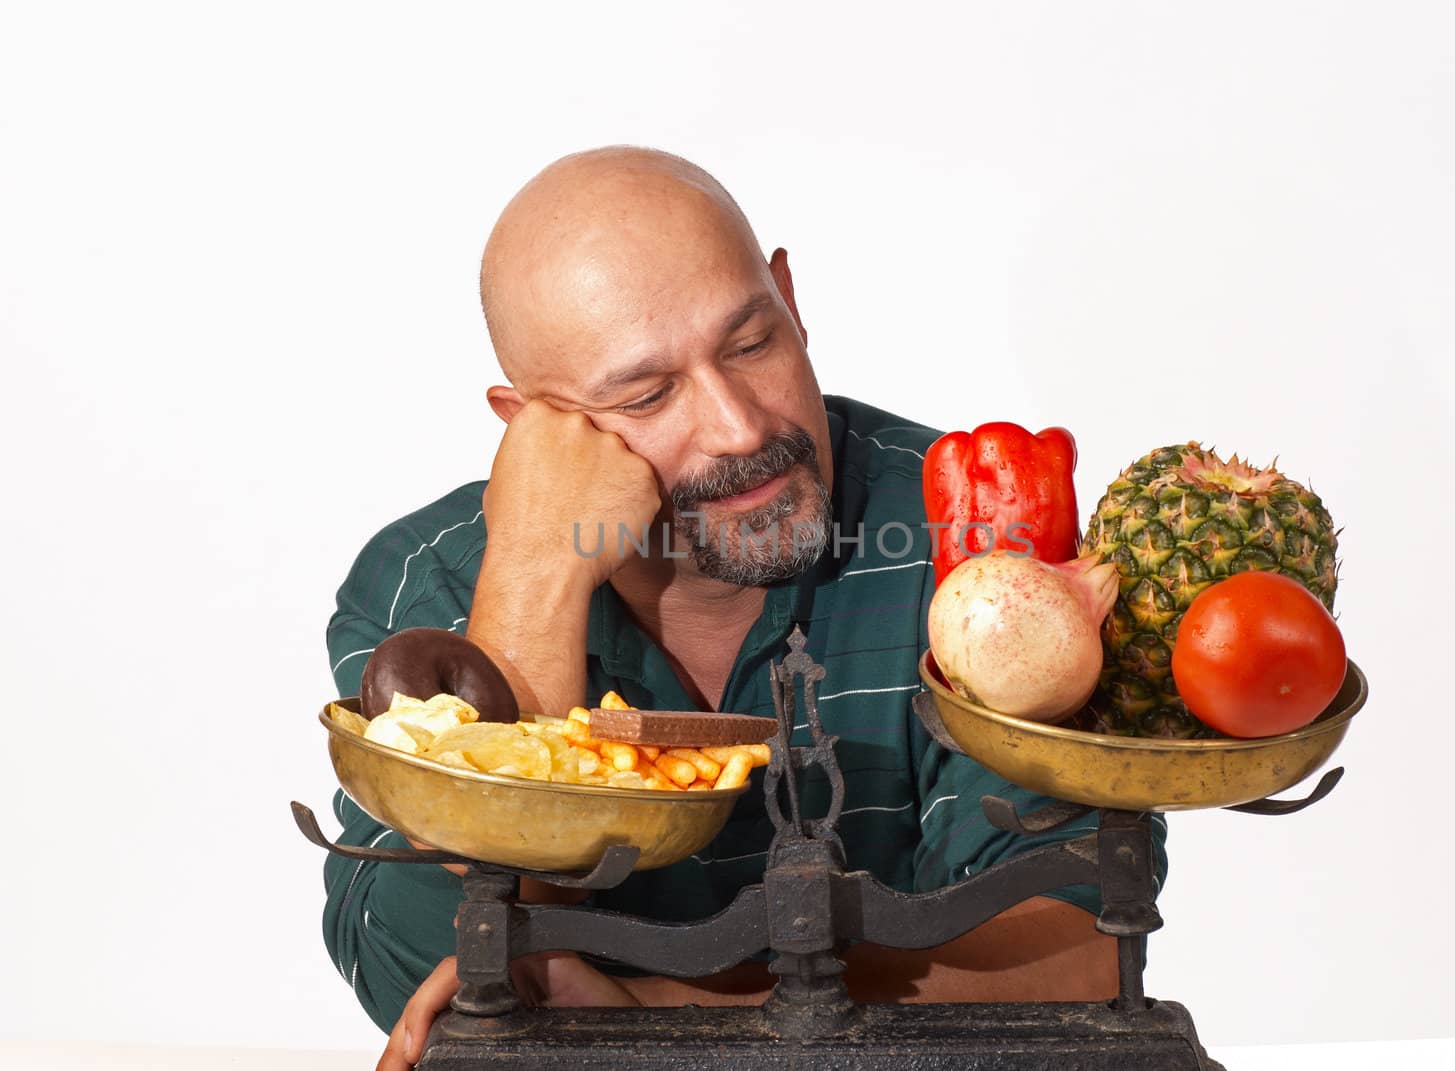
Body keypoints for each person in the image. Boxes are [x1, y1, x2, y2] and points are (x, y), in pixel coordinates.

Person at [322, 147, 1168, 1070]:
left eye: (752, 342)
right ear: (530, 427)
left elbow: (1077, 949)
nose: (741, 427)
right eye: (648, 394)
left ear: (790, 298)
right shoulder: (429, 582)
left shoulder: (974, 531)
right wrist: (534, 577)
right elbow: (406, 948)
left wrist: (643, 1016)